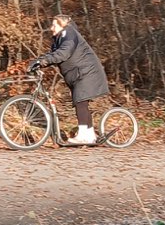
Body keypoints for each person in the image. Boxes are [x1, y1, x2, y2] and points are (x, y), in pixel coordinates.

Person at [28, 14, 109, 145]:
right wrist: (38, 61)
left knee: (80, 101)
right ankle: (90, 135)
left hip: (86, 72)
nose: (51, 28)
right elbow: (54, 55)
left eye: (54, 25)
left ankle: (84, 135)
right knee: (81, 102)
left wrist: (44, 60)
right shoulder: (59, 39)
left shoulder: (69, 33)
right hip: (80, 73)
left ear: (63, 25)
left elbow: (64, 53)